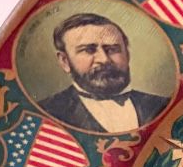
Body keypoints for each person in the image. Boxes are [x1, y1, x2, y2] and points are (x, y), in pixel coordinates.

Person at [36, 13, 168, 132]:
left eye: (112, 49)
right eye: (88, 50)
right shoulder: (45, 113)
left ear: (127, 54)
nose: (104, 59)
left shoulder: (161, 105)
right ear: (65, 61)